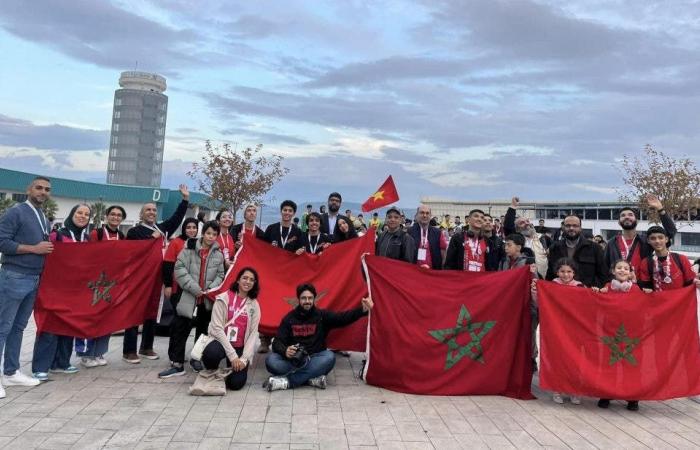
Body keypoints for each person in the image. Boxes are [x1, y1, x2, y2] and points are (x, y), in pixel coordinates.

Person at [123, 184, 190, 364]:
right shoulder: (134, 231)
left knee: (153, 311)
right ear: (141, 214)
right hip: (139, 279)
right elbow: (133, 253)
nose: (152, 212)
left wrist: (184, 200)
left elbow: (176, 219)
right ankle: (129, 350)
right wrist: (149, 239)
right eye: (148, 210)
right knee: (135, 312)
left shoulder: (161, 229)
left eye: (153, 210)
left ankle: (146, 347)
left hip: (156, 278)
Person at [0, 176, 54, 397]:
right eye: (39, 187)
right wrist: (33, 249)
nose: (43, 192)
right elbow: (2, 242)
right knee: (3, 326)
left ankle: (11, 371)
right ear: (29, 189)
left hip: (33, 278)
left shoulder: (42, 216)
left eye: (47, 189)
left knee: (18, 327)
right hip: (14, 275)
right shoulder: (16, 212)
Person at [264, 283, 373, 391]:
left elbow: (343, 318)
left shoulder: (322, 316)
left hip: (314, 359)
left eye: (310, 298)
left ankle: (288, 381)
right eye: (304, 298)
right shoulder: (289, 318)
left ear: (314, 299)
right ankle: (310, 379)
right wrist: (285, 350)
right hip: (293, 361)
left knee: (329, 357)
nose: (307, 301)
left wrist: (362, 310)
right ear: (298, 299)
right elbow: (277, 342)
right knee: (271, 360)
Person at [159, 221, 225, 378]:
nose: (211, 237)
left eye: (214, 234)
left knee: (203, 332)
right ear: (203, 233)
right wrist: (195, 288)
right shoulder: (188, 249)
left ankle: (196, 359)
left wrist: (210, 289)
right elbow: (179, 269)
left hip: (207, 301)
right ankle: (177, 364)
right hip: (188, 298)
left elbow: (221, 275)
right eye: (208, 233)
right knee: (180, 330)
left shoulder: (218, 254)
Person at [32, 204, 91, 379]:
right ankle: (41, 366)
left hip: (75, 291)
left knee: (69, 326)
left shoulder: (87, 239)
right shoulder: (57, 235)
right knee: (49, 327)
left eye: (86, 214)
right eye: (79, 213)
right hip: (54, 289)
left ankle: (62, 363)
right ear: (72, 214)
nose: (82, 216)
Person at [197, 267, 261, 390]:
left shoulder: (254, 304)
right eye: (245, 278)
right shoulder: (223, 298)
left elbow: (253, 334)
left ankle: (227, 372)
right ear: (238, 280)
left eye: (252, 280)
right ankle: (213, 370)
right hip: (221, 342)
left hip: (239, 347)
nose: (248, 282)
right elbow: (217, 329)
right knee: (211, 354)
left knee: (235, 384)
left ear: (254, 284)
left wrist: (243, 359)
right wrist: (232, 356)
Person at [532, 258, 583, 405]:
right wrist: (535, 291)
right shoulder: (551, 286)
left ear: (574, 273)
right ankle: (557, 389)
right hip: (556, 329)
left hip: (574, 330)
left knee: (575, 360)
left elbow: (587, 306)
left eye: (569, 271)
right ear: (557, 272)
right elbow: (540, 302)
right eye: (562, 271)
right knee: (557, 360)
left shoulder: (580, 287)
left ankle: (574, 391)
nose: (565, 275)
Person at [593, 259, 642, 411]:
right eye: (619, 268)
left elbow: (645, 307)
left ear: (630, 272)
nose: (622, 270)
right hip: (610, 332)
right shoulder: (607, 288)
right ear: (613, 271)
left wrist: (648, 293)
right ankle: (607, 393)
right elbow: (596, 305)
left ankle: (633, 397)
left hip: (631, 333)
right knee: (609, 363)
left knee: (632, 364)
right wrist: (596, 292)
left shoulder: (636, 289)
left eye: (625, 268)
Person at [604, 195, 676, 281]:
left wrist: (660, 209)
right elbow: (605, 267)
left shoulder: (646, 241)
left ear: (637, 221)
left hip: (642, 288)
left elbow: (671, 232)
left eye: (630, 215)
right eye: (623, 215)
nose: (627, 217)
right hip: (618, 288)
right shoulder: (611, 243)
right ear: (619, 222)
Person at [160, 217, 199, 373]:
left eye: (194, 227)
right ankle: (174, 357)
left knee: (188, 325)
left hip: (194, 291)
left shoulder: (199, 243)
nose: (191, 230)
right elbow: (168, 264)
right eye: (188, 227)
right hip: (178, 290)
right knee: (178, 325)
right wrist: (168, 285)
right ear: (184, 229)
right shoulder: (176, 242)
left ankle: (180, 355)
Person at [546, 215, 606, 287]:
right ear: (563, 227)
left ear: (580, 228)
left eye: (575, 225)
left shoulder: (595, 248)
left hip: (585, 294)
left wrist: (593, 290)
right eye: (568, 225)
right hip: (561, 294)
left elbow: (603, 275)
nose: (571, 228)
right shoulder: (555, 248)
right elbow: (550, 275)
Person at [637, 226, 699, 292]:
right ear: (648, 241)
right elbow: (646, 286)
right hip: (658, 301)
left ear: (666, 239)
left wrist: (697, 283)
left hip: (681, 301)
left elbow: (691, 283)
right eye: (653, 238)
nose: (657, 241)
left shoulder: (681, 259)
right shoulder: (646, 263)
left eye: (660, 238)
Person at [504, 197, 549, 278]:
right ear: (517, 229)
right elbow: (507, 226)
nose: (527, 224)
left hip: (543, 280)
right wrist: (513, 207)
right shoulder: (517, 239)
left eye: (527, 221)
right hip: (523, 279)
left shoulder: (543, 238)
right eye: (522, 223)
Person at [408, 205, 444, 269]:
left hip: (432, 273)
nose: (425, 215)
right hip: (414, 272)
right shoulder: (409, 232)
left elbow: (443, 253)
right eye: (422, 213)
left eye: (427, 213)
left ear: (430, 216)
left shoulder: (438, 233)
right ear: (417, 215)